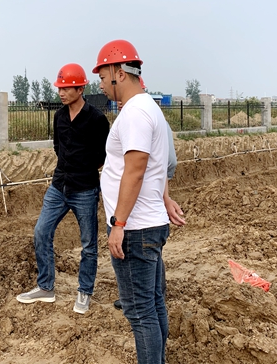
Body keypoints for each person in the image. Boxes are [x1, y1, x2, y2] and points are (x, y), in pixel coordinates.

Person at [93, 39, 183, 364]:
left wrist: (118, 224)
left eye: (103, 77)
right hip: (148, 222)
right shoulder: (148, 108)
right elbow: (158, 164)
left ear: (119, 72)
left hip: (135, 228)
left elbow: (136, 168)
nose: (100, 85)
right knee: (153, 303)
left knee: (140, 311)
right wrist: (165, 198)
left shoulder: (134, 113)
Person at [16, 63, 110, 314]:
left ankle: (85, 291)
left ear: (80, 89)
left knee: (88, 243)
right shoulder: (58, 116)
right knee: (41, 232)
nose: (61, 92)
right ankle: (45, 287)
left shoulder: (97, 119)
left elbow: (103, 155)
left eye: (66, 88)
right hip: (59, 186)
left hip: (85, 189)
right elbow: (58, 148)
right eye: (59, 88)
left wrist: (83, 169)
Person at [113, 77, 185, 311]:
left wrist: (119, 223)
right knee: (150, 289)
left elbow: (162, 164)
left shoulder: (141, 117)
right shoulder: (141, 116)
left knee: (142, 307)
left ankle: (147, 295)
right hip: (143, 213)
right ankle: (149, 295)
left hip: (139, 217)